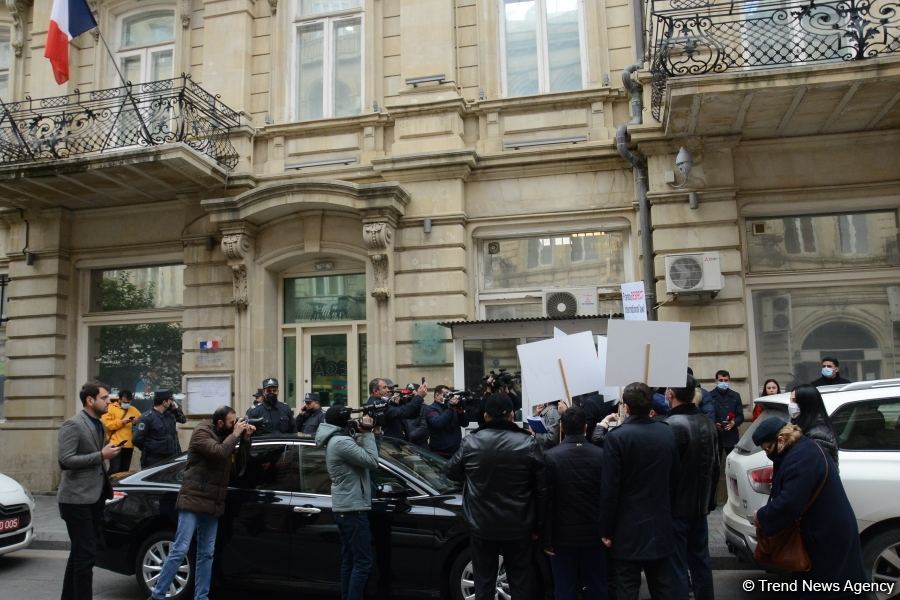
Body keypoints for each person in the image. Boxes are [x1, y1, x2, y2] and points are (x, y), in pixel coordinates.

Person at [753, 418, 869, 599]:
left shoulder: (801, 457)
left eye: (768, 449)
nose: (768, 454)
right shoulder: (800, 449)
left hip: (828, 536)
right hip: (821, 532)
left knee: (830, 591)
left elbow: (790, 502)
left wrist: (761, 517)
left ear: (781, 440)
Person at [447, 393, 547, 600]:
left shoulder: (471, 442)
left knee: (483, 583)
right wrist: (539, 525)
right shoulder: (527, 443)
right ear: (512, 415)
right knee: (520, 581)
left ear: (485, 416)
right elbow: (542, 489)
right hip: (519, 524)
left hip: (482, 524)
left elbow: (451, 471)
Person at [149, 406, 254, 600]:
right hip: (193, 499)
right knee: (180, 549)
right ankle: (157, 595)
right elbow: (219, 452)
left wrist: (245, 439)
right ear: (220, 423)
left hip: (213, 503)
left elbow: (239, 467)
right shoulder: (201, 432)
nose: (235, 425)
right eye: (231, 422)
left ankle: (201, 597)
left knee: (207, 553)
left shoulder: (227, 436)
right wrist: (236, 434)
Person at [599, 382, 677, 600]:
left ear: (626, 406)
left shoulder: (617, 437)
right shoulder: (666, 432)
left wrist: (605, 529)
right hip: (660, 523)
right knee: (663, 588)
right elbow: (675, 478)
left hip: (627, 527)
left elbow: (610, 488)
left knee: (627, 588)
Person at [57, 382, 121, 600]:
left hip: (94, 497)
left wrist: (107, 453)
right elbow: (65, 460)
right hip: (75, 500)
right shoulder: (73, 425)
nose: (109, 401)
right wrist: (101, 455)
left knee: (79, 554)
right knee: (86, 556)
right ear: (90, 400)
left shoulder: (99, 424)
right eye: (104, 398)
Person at [543, 406, 608, 600]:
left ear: (562, 428)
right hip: (595, 533)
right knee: (597, 586)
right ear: (585, 427)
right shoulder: (601, 455)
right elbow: (608, 495)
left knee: (564, 588)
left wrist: (547, 537)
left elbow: (546, 500)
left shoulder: (551, 457)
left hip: (562, 535)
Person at [315, 405, 379, 600]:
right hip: (353, 509)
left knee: (350, 560)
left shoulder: (337, 439)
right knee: (363, 562)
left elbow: (359, 456)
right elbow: (372, 461)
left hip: (347, 507)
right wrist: (367, 433)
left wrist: (365, 433)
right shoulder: (341, 442)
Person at [664, 375, 717, 600]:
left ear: (671, 394)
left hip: (676, 507)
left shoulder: (671, 425)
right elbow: (715, 466)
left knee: (676, 566)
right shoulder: (707, 422)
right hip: (700, 505)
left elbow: (666, 471)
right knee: (700, 560)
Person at [704, 369, 743, 504]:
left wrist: (734, 423)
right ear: (716, 380)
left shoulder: (736, 396)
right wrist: (714, 423)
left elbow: (740, 416)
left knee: (734, 469)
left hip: (731, 436)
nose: (723, 382)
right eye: (721, 380)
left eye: (726, 380)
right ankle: (711, 501)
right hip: (716, 437)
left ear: (729, 380)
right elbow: (706, 415)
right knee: (714, 470)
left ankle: (735, 499)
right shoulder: (709, 396)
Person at [133, 388, 187, 468]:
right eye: (170, 400)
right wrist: (152, 448)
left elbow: (183, 420)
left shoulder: (170, 415)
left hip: (171, 458)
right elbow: (137, 439)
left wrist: (176, 408)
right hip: (154, 461)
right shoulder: (146, 417)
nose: (172, 402)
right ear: (164, 402)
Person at [789, 384, 838, 463]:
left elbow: (814, 465)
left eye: (794, 401)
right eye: (791, 400)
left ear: (806, 404)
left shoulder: (819, 434)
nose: (791, 405)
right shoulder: (799, 425)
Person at [101, 389, 141, 474]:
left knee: (124, 471)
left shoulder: (134, 410)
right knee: (114, 470)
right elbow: (108, 425)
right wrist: (122, 422)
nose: (127, 404)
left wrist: (136, 422)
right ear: (119, 399)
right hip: (115, 444)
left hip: (129, 445)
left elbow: (142, 422)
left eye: (129, 402)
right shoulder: (110, 408)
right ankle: (108, 482)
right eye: (124, 402)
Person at [424, 385, 470, 457]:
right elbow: (438, 423)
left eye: (450, 395)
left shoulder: (452, 408)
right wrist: (451, 408)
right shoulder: (430, 409)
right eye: (446, 395)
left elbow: (465, 424)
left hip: (456, 452)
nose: (449, 397)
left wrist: (460, 410)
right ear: (437, 395)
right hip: (439, 453)